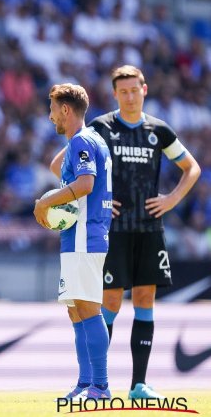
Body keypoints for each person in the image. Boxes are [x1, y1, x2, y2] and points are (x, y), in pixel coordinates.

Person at [88, 65, 199, 398]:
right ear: (115, 94)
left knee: (145, 300)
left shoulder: (158, 131)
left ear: (144, 90)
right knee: (110, 302)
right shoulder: (101, 128)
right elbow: (69, 164)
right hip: (115, 230)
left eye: (134, 90)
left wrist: (172, 199)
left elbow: (191, 167)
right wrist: (100, 201)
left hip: (149, 228)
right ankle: (97, 383)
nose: (129, 96)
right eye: (123, 91)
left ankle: (138, 385)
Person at [35, 83, 112, 400]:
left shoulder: (83, 140)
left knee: (89, 308)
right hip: (79, 236)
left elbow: (85, 184)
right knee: (76, 310)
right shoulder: (88, 139)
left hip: (85, 236)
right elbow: (59, 167)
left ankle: (101, 386)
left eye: (53, 108)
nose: (50, 115)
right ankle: (85, 383)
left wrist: (46, 200)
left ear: (65, 110)